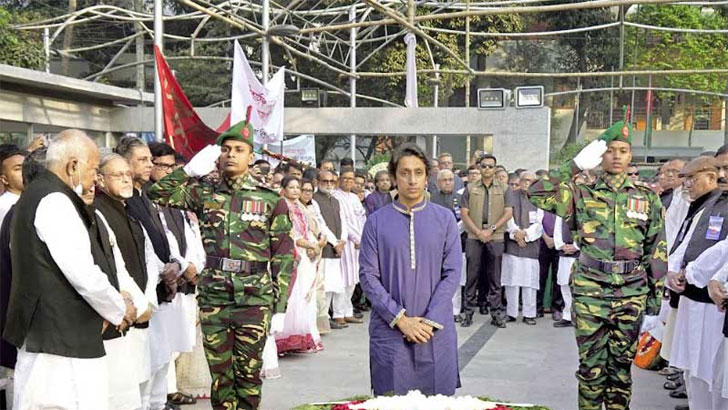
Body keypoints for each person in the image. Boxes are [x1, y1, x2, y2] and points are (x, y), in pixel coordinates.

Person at [147, 114, 294, 410]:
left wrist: (279, 308)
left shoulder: (269, 198)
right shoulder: (204, 191)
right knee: (221, 377)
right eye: (225, 149)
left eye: (238, 150)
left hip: (254, 298)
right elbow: (157, 192)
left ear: (251, 156)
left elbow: (284, 254)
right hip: (216, 295)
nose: (231, 155)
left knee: (249, 375)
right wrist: (187, 170)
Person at [528, 113, 667, 410]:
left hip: (631, 292)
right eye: (609, 150)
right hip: (591, 290)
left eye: (623, 150)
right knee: (590, 368)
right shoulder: (581, 193)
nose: (616, 156)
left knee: (621, 369)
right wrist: (576, 165)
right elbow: (536, 191)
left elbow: (656, 248)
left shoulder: (647, 198)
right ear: (599, 155)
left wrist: (655, 298)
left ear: (631, 155)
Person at [6, 129, 135, 410]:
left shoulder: (38, 196)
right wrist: (119, 308)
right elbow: (83, 274)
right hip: (60, 342)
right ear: (73, 166)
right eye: (92, 169)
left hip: (52, 338)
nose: (93, 179)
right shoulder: (55, 201)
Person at [359, 143, 462, 395]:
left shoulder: (445, 219)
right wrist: (401, 320)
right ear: (394, 177)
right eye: (405, 173)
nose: (412, 180)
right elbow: (368, 277)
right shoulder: (375, 222)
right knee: (392, 398)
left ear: (428, 177)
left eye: (418, 172)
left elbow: (452, 272)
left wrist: (429, 320)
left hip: (435, 329)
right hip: (391, 329)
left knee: (438, 399)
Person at [117, 136, 181, 410]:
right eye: (142, 160)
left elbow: (158, 237)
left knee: (160, 361)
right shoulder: (124, 199)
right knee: (141, 372)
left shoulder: (143, 195)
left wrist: (173, 265)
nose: (149, 165)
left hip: (159, 288)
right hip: (140, 293)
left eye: (149, 159)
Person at [665, 156, 727, 410]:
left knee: (713, 372)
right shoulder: (703, 205)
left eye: (691, 178)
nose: (686, 185)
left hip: (713, 302)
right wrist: (673, 271)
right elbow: (684, 242)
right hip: (691, 295)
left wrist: (694, 273)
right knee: (694, 367)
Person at [93, 153, 154, 410]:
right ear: (100, 180)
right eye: (119, 175)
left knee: (139, 383)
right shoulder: (97, 211)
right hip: (119, 314)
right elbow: (110, 268)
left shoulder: (128, 210)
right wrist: (129, 304)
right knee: (117, 393)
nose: (127, 180)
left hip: (139, 308)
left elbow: (147, 256)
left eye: (128, 174)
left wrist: (146, 299)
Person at [460, 154, 513, 328]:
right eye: (484, 166)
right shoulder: (470, 187)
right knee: (471, 276)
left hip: (495, 236)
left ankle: (496, 314)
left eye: (491, 166)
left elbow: (508, 213)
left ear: (495, 168)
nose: (487, 169)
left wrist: (490, 230)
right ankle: (468, 313)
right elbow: (464, 213)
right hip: (474, 236)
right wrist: (478, 231)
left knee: (494, 277)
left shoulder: (505, 188)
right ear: (479, 167)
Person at [275, 176, 323, 354]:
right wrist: (310, 245)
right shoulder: (282, 207)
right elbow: (291, 234)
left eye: (298, 187)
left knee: (304, 298)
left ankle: (300, 338)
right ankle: (283, 339)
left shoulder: (300, 208)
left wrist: (314, 245)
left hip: (306, 254)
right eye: (291, 187)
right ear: (284, 189)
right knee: (292, 296)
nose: (295, 190)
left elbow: (308, 230)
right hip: (292, 254)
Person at [502, 171, 542, 325]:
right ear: (519, 181)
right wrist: (516, 234)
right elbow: (507, 218)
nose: (527, 183)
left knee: (529, 282)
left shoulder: (540, 198)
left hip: (531, 246)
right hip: (512, 245)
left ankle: (529, 313)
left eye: (531, 181)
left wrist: (525, 234)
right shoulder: (510, 195)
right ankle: (511, 313)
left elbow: (540, 223)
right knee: (511, 281)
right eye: (524, 180)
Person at [313, 170, 349, 330]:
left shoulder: (335, 200)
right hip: (326, 247)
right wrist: (335, 243)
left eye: (331, 182)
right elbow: (322, 226)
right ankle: (323, 317)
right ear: (318, 181)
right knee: (324, 285)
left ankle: (330, 316)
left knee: (334, 284)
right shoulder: (314, 200)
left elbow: (343, 221)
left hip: (337, 248)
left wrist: (342, 240)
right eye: (325, 181)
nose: (328, 184)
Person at [332, 167, 366, 324]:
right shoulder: (335, 196)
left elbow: (361, 218)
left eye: (350, 179)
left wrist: (364, 238)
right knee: (342, 279)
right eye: (345, 178)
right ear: (339, 179)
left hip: (359, 244)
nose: (348, 181)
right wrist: (356, 238)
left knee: (353, 279)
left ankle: (348, 310)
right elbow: (343, 221)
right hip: (345, 242)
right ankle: (338, 313)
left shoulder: (354, 197)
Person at [0, 146, 25, 225]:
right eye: (18, 169)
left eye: (26, 167)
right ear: (5, 179)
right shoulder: (3, 205)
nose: (25, 172)